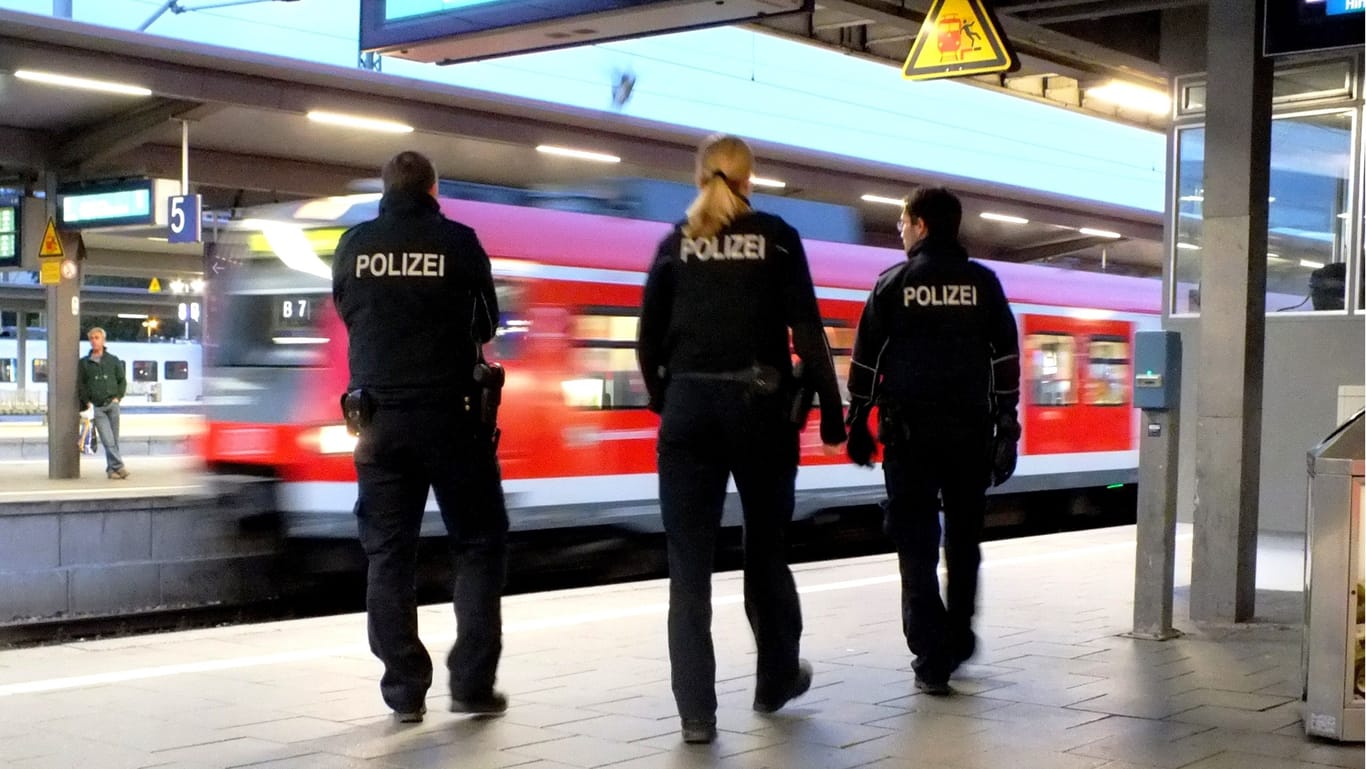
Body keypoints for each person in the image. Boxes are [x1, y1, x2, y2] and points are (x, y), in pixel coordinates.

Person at [637, 134, 848, 744]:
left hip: (689, 411)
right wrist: (833, 419)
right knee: (766, 549)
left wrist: (667, 400)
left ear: (700, 177)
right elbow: (808, 333)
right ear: (750, 178)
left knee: (689, 569)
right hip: (759, 409)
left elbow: (648, 342)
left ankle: (697, 716)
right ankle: (776, 678)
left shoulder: (675, 244)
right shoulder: (778, 236)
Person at [332, 150, 509, 724]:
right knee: (478, 544)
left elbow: (348, 311)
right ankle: (472, 685)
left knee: (388, 554)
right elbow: (486, 323)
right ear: (433, 189)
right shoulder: (459, 241)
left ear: (387, 189)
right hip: (453, 418)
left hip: (378, 422)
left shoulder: (353, 245)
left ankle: (405, 690)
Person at [844, 187, 1020, 695]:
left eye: (902, 222)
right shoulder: (984, 285)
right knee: (965, 541)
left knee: (916, 545)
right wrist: (1006, 428)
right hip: (970, 436)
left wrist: (856, 422)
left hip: (909, 439)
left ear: (920, 225)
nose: (899, 231)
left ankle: (930, 653)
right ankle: (959, 634)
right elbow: (1005, 361)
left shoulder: (892, 284)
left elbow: (864, 363)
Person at [77, 327, 128, 480]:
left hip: (112, 404)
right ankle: (120, 467)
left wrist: (118, 397)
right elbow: (81, 385)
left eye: (97, 337)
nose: (94, 340)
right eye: (91, 338)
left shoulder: (113, 360)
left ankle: (112, 470)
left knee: (114, 440)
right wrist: (87, 402)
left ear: (103, 340)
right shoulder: (84, 363)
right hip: (97, 407)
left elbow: (122, 380)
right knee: (107, 439)